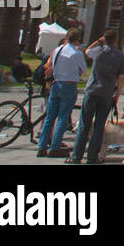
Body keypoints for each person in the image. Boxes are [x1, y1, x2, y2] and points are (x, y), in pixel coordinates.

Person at [68, 30, 124, 165]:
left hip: (91, 91)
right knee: (99, 126)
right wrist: (117, 95)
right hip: (106, 93)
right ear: (115, 40)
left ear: (104, 39)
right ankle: (92, 157)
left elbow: (86, 51)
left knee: (84, 125)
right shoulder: (120, 56)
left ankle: (76, 157)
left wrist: (99, 40)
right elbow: (121, 78)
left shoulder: (98, 51)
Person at [36, 28, 89, 157]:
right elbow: (83, 69)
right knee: (63, 117)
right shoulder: (76, 53)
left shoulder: (58, 50)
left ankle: (42, 146)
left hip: (56, 83)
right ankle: (55, 146)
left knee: (50, 116)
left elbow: (51, 66)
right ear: (78, 39)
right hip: (69, 84)